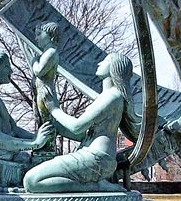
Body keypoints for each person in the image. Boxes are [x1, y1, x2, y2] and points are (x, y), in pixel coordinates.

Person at [23, 52, 135, 192]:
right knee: (32, 180)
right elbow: (82, 135)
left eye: (105, 61)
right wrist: (54, 125)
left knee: (31, 181)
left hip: (97, 159)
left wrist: (53, 108)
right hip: (92, 155)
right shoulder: (107, 96)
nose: (99, 63)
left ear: (115, 67)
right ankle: (97, 185)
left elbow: (77, 127)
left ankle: (97, 186)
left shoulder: (112, 97)